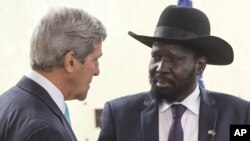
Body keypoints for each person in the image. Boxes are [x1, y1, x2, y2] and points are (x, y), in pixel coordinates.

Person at [98, 5, 250, 141]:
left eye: (173, 59)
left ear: (200, 65)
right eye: (155, 57)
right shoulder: (119, 116)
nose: (160, 68)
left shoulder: (239, 116)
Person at [0, 6, 106, 141]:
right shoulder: (44, 130)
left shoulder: (7, 102)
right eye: (95, 60)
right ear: (70, 62)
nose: (97, 71)